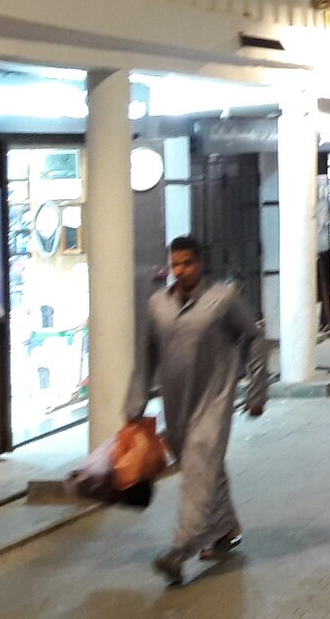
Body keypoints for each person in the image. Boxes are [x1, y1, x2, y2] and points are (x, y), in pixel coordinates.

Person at [128, 236, 270, 586]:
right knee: (204, 468)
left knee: (198, 470)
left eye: (187, 263)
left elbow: (254, 337)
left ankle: (180, 549)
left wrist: (257, 390)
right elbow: (146, 355)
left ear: (201, 263)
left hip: (214, 402)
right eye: (176, 264)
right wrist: (135, 404)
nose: (181, 270)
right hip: (176, 407)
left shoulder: (223, 299)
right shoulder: (157, 304)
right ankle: (225, 527)